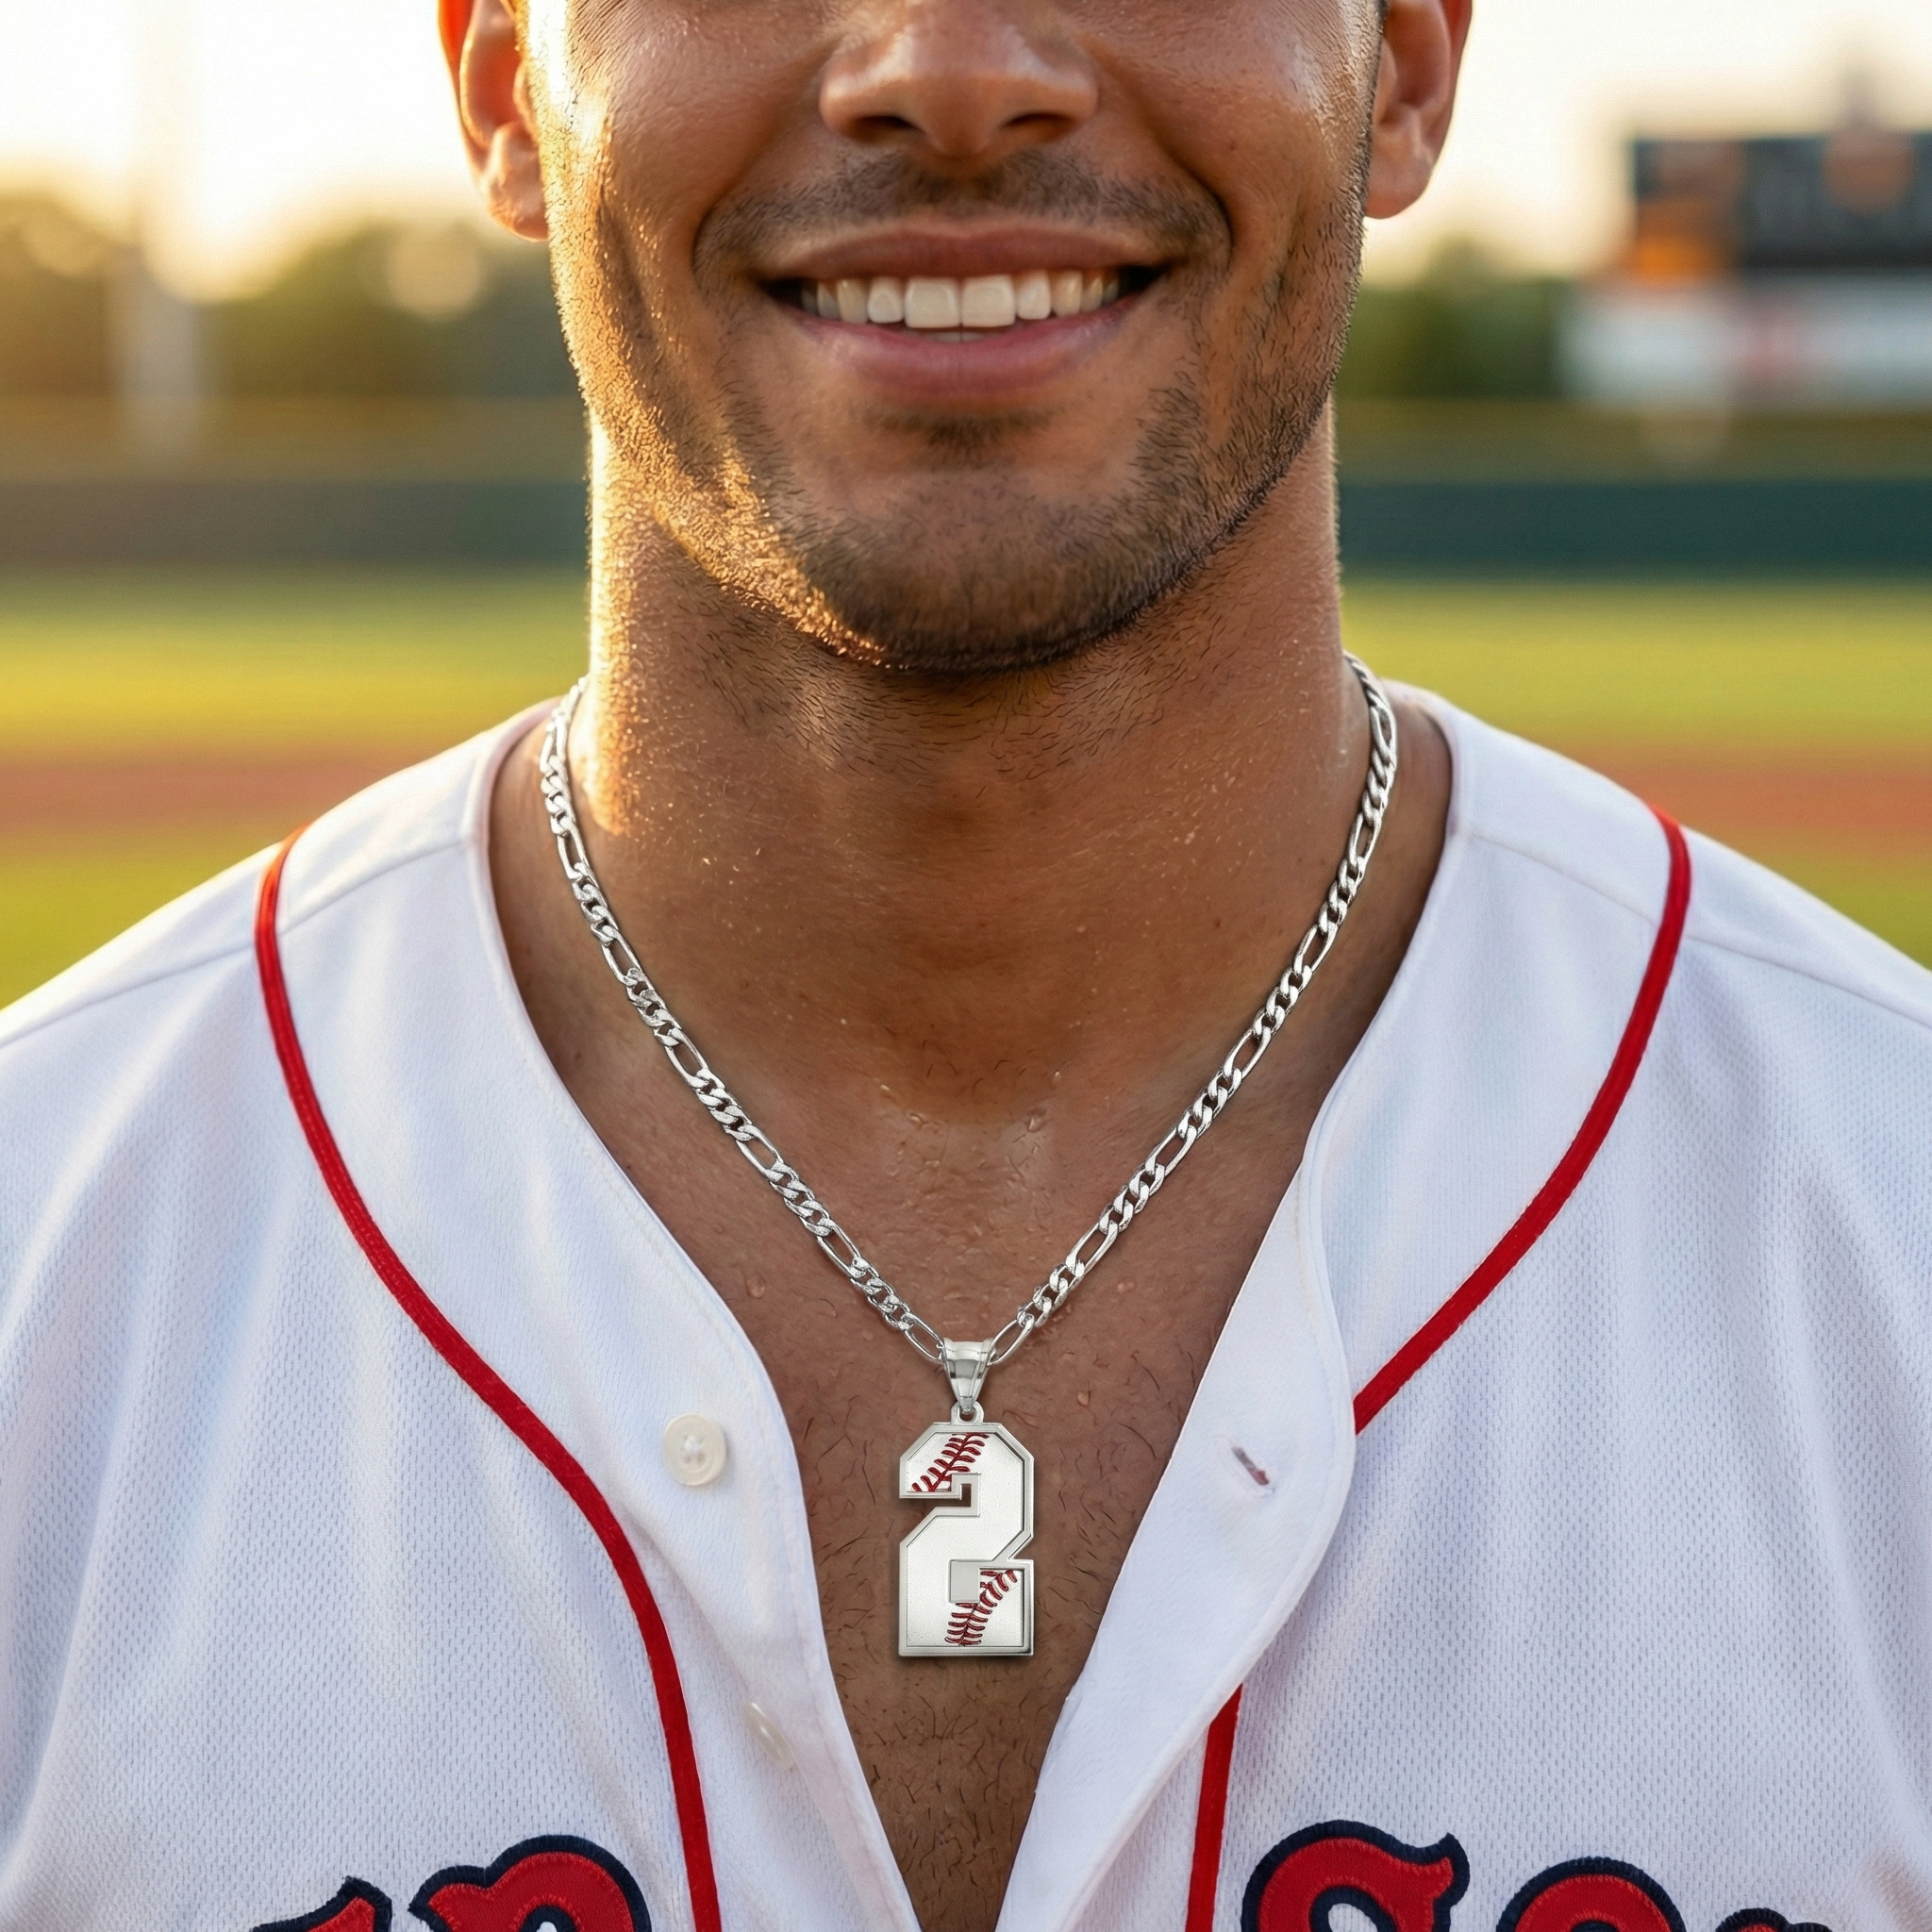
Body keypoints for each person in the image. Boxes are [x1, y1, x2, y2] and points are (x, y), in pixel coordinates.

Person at [1, 0, 1928, 1926]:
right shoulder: (42, 1261)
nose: (942, 59)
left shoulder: (1885, 1205)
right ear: (505, 83)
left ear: (1405, 67)